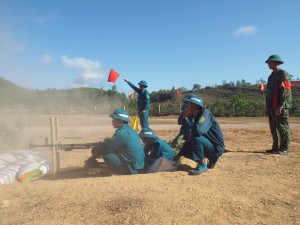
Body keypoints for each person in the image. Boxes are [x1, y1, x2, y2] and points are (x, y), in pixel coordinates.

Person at [173, 94, 225, 175]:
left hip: (216, 148)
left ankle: (202, 164)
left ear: (194, 105)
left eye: (188, 104)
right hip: (209, 145)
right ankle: (212, 159)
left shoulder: (205, 113)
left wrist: (190, 132)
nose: (186, 106)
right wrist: (177, 156)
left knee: (194, 136)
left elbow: (199, 131)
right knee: (189, 140)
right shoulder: (196, 115)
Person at [85, 109, 145, 175]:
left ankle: (116, 172)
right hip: (139, 166)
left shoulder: (121, 133)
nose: (112, 121)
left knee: (106, 153)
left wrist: (97, 148)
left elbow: (107, 148)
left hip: (131, 169)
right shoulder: (130, 130)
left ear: (120, 120)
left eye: (114, 119)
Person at [265, 55, 292, 155]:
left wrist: (280, 105)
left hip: (281, 105)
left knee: (282, 126)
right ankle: (276, 147)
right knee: (273, 126)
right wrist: (268, 107)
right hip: (272, 105)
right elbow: (269, 93)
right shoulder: (271, 77)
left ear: (276, 63)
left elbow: (286, 91)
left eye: (270, 62)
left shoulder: (284, 74)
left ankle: (284, 148)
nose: (268, 64)